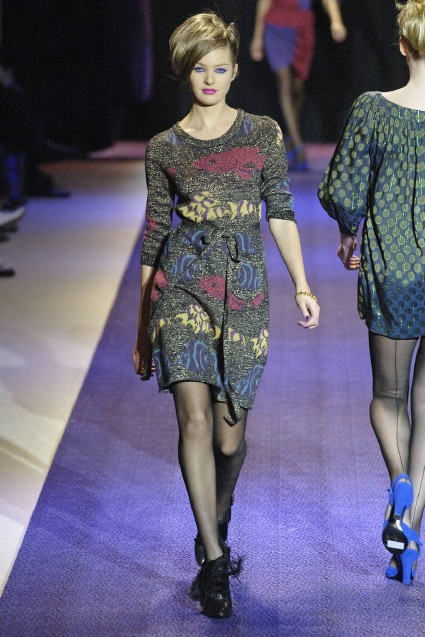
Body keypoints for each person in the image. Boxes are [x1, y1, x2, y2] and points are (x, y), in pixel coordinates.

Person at [133, 12, 319, 619]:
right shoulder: (164, 147)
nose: (209, 79)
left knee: (229, 439)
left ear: (235, 71)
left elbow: (280, 210)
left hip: (243, 291)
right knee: (193, 420)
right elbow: (154, 236)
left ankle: (218, 514)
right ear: (183, 72)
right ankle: (214, 562)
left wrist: (302, 284)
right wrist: (142, 329)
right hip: (183, 286)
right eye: (199, 68)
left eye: (219, 68)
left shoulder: (262, 133)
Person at [318, 0, 425, 587]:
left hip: (397, 270)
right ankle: (408, 525)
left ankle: (399, 484)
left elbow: (344, 189)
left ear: (403, 45)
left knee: (389, 397)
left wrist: (347, 233)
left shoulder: (373, 110)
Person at [250, 0, 347, 170]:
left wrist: (336, 20)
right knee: (285, 84)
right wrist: (257, 36)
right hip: (277, 27)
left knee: (298, 89)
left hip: (302, 30)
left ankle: (290, 138)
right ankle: (298, 146)